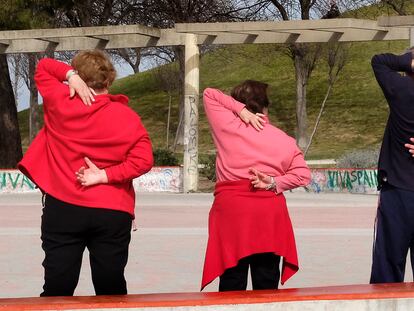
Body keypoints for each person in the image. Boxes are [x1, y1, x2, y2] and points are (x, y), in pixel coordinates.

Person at [18, 50, 153, 296]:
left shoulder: (59, 99)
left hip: (63, 206)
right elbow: (144, 160)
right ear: (109, 80)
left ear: (80, 77)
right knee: (111, 287)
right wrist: (105, 176)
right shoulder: (127, 117)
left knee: (57, 288)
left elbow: (45, 67)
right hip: (112, 209)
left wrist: (69, 76)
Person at [201, 80, 311, 291]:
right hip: (269, 212)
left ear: (236, 103)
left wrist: (239, 111)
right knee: (266, 279)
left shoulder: (227, 126)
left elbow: (209, 94)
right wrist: (274, 182)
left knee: (232, 278)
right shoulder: (283, 139)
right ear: (265, 106)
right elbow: (303, 175)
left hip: (232, 212)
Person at [370, 51, 414, 283]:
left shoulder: (403, 91)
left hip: (398, 190)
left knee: (387, 267)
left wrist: (408, 61)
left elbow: (379, 61)